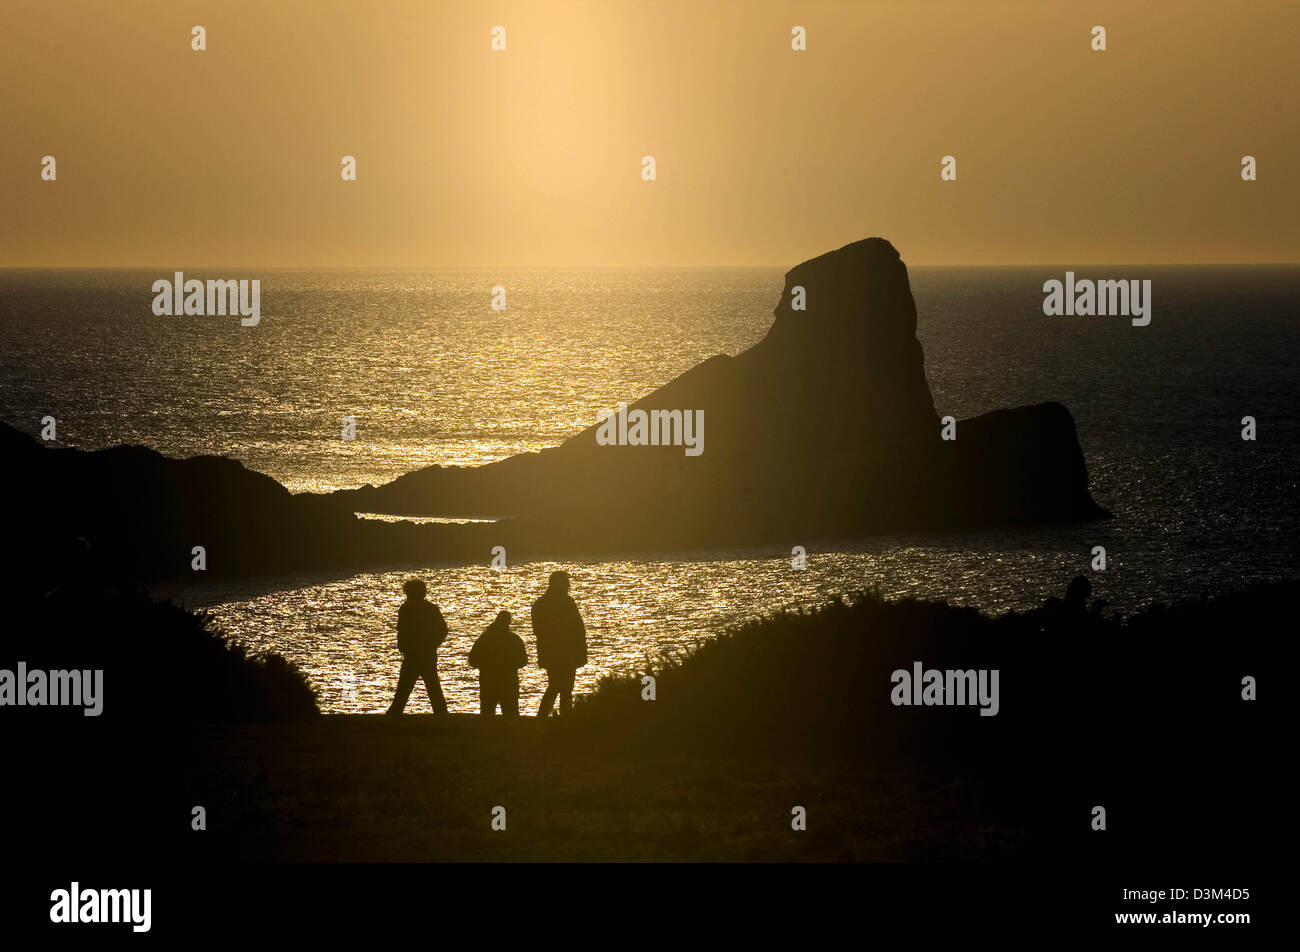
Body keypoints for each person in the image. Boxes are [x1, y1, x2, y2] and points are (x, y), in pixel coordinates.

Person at [386, 578, 449, 716]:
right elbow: (443, 630)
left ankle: (394, 713)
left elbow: (402, 630)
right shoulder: (430, 608)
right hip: (427, 653)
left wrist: (403, 646)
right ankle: (441, 714)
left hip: (412, 654)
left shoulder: (406, 608)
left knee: (404, 687)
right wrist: (433, 644)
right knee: (432, 685)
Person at [531, 570, 587, 718]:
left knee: (558, 685)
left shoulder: (540, 604)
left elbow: (538, 630)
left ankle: (549, 715)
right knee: (561, 686)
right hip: (564, 654)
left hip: (553, 654)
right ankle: (558, 716)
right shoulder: (567, 602)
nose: (568, 586)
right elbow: (578, 628)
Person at [468, 610, 528, 717]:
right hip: (509, 682)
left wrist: (487, 665)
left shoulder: (484, 638)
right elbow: (523, 661)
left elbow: (472, 660)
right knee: (511, 715)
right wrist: (508, 664)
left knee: (487, 714)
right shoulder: (514, 639)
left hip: (488, 681)